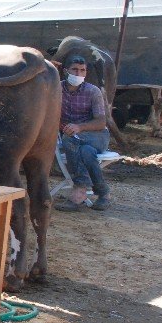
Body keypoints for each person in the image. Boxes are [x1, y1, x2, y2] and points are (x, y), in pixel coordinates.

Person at [55, 54, 111, 211]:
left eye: (82, 70)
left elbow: (101, 122)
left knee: (70, 139)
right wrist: (62, 125)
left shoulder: (93, 91)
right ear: (66, 71)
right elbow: (50, 114)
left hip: (97, 135)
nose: (78, 74)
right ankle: (103, 193)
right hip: (75, 137)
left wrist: (79, 127)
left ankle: (80, 188)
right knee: (86, 152)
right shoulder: (57, 89)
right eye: (75, 70)